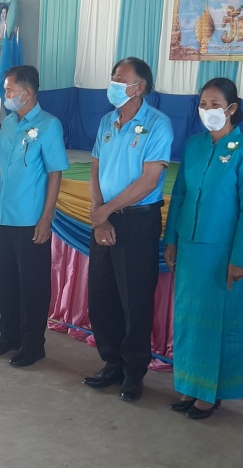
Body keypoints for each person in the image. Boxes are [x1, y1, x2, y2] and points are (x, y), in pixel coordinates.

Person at [164, 78, 243, 420]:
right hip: (189, 248)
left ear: (232, 108)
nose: (207, 110)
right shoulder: (193, 145)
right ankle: (189, 386)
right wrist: (171, 240)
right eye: (203, 104)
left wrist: (238, 259)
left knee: (213, 324)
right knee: (188, 321)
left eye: (215, 104)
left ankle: (210, 393)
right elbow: (179, 195)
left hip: (220, 253)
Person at [83, 57, 173, 401]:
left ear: (140, 87)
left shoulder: (158, 124)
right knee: (102, 294)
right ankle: (112, 363)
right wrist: (100, 213)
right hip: (104, 216)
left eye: (121, 79)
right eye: (113, 78)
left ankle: (134, 371)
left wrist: (105, 211)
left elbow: (149, 180)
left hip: (137, 220)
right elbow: (95, 169)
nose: (114, 84)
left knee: (134, 298)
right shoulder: (107, 121)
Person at [0, 65, 69, 367]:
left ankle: (33, 345)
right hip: (3, 215)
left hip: (31, 219)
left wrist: (46, 218)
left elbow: (55, 173)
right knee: (5, 281)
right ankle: (9, 336)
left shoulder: (49, 125)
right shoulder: (8, 124)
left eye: (10, 89)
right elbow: (1, 171)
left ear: (28, 92)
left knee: (32, 285)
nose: (5, 94)